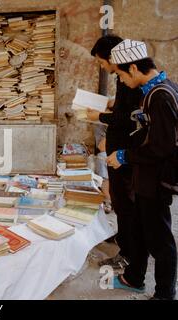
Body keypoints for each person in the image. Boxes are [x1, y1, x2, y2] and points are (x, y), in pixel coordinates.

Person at [107, 39, 177, 300]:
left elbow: (161, 147)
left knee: (161, 240)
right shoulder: (155, 91)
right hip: (146, 178)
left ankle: (165, 294)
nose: (122, 81)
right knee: (146, 231)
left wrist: (124, 155)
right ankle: (135, 278)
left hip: (156, 180)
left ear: (134, 68)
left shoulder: (160, 96)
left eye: (121, 74)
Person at [87, 35, 143, 269]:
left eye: (102, 62)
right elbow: (124, 108)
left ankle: (129, 254)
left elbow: (127, 119)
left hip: (124, 153)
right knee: (121, 203)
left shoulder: (134, 80)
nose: (103, 67)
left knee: (126, 203)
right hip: (118, 150)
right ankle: (124, 239)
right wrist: (110, 104)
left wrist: (98, 116)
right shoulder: (124, 79)